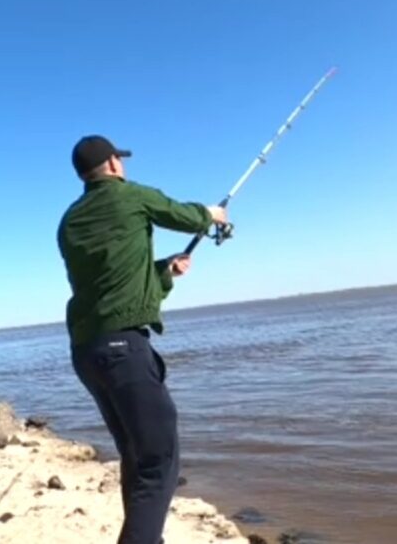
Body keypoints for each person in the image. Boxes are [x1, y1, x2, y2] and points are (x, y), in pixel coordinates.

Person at [57, 135, 228, 544]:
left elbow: (110, 282)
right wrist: (211, 214)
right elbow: (184, 216)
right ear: (114, 164)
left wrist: (165, 272)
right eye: (121, 160)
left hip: (87, 352)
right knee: (158, 461)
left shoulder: (69, 221)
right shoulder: (130, 196)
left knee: (135, 456)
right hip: (122, 350)